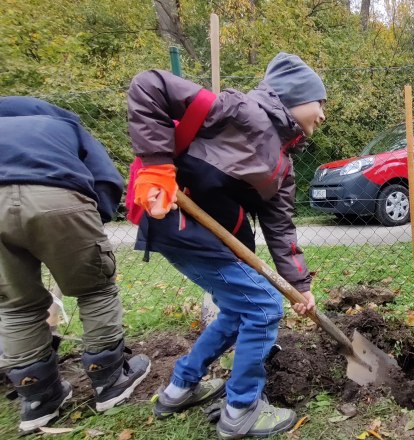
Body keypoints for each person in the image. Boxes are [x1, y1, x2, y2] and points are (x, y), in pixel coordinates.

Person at [127, 52, 325, 438]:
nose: (323, 114)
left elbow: (281, 229)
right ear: (295, 96)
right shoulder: (239, 110)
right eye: (320, 102)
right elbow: (148, 85)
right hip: (180, 221)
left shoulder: (283, 167)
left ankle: (179, 388)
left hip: (211, 238)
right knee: (264, 305)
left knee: (238, 310)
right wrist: (156, 166)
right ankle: (241, 410)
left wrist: (300, 286)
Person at [0, 97, 151, 433]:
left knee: (15, 306)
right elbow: (106, 178)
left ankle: (38, 399)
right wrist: (91, 222)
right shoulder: (65, 124)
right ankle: (109, 381)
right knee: (95, 289)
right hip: (58, 197)